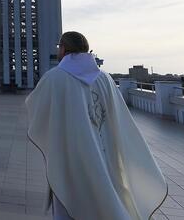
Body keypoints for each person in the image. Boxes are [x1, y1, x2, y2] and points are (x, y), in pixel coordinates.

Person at [26, 31, 168, 220]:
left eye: (59, 47)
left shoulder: (55, 78)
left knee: (69, 197)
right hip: (104, 152)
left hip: (70, 153)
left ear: (64, 48)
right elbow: (117, 116)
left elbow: (36, 107)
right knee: (107, 194)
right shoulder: (105, 79)